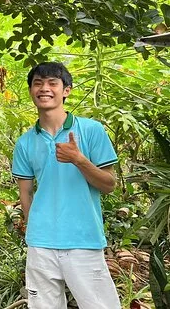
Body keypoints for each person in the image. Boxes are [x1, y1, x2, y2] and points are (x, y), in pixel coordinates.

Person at [12, 62, 120, 309]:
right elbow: (25, 193)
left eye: (53, 83)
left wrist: (79, 160)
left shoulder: (91, 130)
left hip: (84, 240)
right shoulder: (25, 142)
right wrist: (33, 230)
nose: (44, 89)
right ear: (31, 91)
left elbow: (109, 185)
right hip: (41, 244)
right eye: (38, 83)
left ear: (66, 90)